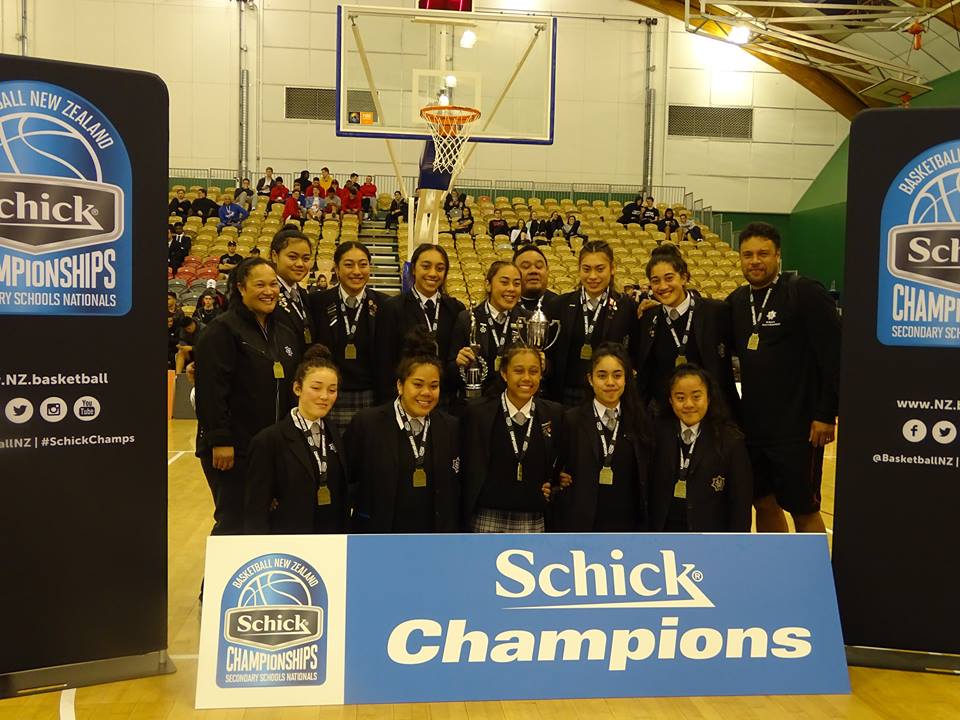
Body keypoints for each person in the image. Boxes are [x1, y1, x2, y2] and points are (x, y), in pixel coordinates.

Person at [727, 222, 840, 534]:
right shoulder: (737, 301)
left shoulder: (804, 292)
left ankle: (813, 567)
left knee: (803, 508)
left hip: (799, 428)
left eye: (763, 253)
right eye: (748, 254)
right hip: (753, 427)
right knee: (762, 502)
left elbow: (834, 357)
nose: (755, 261)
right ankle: (774, 565)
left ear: (778, 255)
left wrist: (826, 414)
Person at [193, 258, 301, 536]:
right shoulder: (222, 330)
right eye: (260, 284)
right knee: (234, 523)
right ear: (241, 288)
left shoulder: (284, 331)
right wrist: (220, 440)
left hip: (271, 447)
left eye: (273, 285)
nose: (269, 291)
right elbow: (211, 390)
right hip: (234, 450)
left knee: (266, 522)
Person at [347, 329, 461, 533]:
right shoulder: (368, 423)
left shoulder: (450, 427)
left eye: (434, 386)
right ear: (400, 385)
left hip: (433, 536)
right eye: (418, 384)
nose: (426, 393)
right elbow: (348, 479)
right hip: (378, 535)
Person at [245, 344, 349, 534]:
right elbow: (256, 509)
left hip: (331, 538)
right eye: (316, 388)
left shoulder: (333, 432)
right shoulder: (268, 440)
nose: (324, 396)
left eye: (332, 390)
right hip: (289, 542)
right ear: (297, 388)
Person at [461, 343, 564, 532]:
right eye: (518, 371)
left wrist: (554, 485)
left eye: (534, 371)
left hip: (533, 518)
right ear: (504, 373)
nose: (526, 378)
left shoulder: (554, 414)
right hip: (487, 516)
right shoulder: (478, 413)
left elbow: (560, 462)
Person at [554, 343, 653, 531]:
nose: (610, 382)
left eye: (617, 375)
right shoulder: (571, 420)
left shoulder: (639, 421)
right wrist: (557, 479)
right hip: (581, 523)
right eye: (602, 376)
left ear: (627, 378)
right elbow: (556, 467)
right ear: (590, 379)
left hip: (628, 524)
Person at [634, 244, 740, 418]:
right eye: (655, 281)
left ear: (683, 277)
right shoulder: (647, 318)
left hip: (711, 415)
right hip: (665, 417)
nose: (663, 286)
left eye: (669, 278)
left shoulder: (716, 312)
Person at [649, 364, 753, 532]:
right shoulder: (656, 435)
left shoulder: (730, 441)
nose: (689, 404)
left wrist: (737, 543)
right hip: (663, 535)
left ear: (708, 398)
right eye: (680, 398)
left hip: (710, 536)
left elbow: (740, 503)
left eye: (696, 397)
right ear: (670, 400)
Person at [545, 240, 638, 406]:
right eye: (586, 269)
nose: (593, 276)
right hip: (567, 395)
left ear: (612, 268)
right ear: (579, 269)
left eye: (600, 269)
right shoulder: (559, 305)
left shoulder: (627, 307)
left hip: (610, 394)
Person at [308, 241, 387, 434]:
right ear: (336, 269)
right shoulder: (317, 303)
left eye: (363, 264)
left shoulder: (385, 304)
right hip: (328, 396)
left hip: (371, 396)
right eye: (349, 265)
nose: (357, 271)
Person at [375, 243, 465, 404]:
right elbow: (384, 363)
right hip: (405, 399)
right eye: (426, 266)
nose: (433, 273)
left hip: (445, 400)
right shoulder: (392, 307)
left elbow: (456, 360)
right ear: (413, 269)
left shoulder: (456, 309)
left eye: (440, 268)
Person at [448, 261, 530, 408]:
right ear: (488, 285)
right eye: (504, 282)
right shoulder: (467, 319)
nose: (511, 289)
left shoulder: (527, 320)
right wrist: (459, 363)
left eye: (516, 284)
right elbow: (450, 371)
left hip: (515, 403)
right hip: (477, 405)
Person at [270, 230, 315, 354]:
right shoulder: (266, 295)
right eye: (292, 257)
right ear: (275, 256)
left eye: (306, 259)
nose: (300, 264)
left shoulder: (304, 295)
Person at [513, 244, 558, 314]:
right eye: (525, 266)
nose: (533, 271)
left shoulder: (560, 305)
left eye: (539, 266)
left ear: (547, 271)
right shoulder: (504, 305)